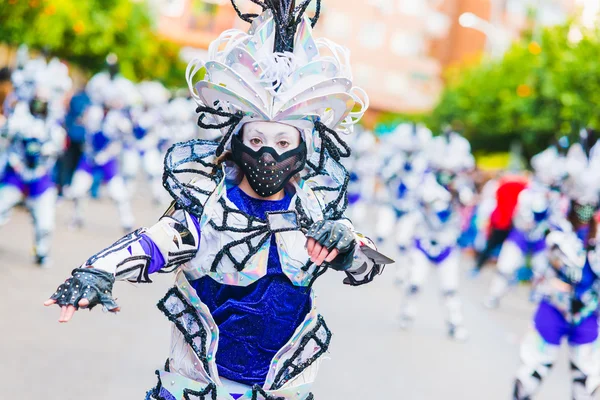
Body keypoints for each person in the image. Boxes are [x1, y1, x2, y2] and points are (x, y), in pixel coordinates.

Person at [44, 3, 391, 399]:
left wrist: (346, 245)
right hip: (194, 389)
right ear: (237, 141)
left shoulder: (312, 212)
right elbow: (152, 244)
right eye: (257, 141)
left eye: (282, 143)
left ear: (302, 149)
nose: (268, 155)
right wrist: (95, 272)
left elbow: (366, 265)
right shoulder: (207, 206)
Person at [397, 174, 469, 341]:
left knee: (450, 289)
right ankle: (407, 314)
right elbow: (413, 213)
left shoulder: (460, 187)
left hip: (447, 247)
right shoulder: (427, 183)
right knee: (415, 283)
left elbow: (468, 200)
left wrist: (457, 191)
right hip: (423, 243)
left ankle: (455, 323)